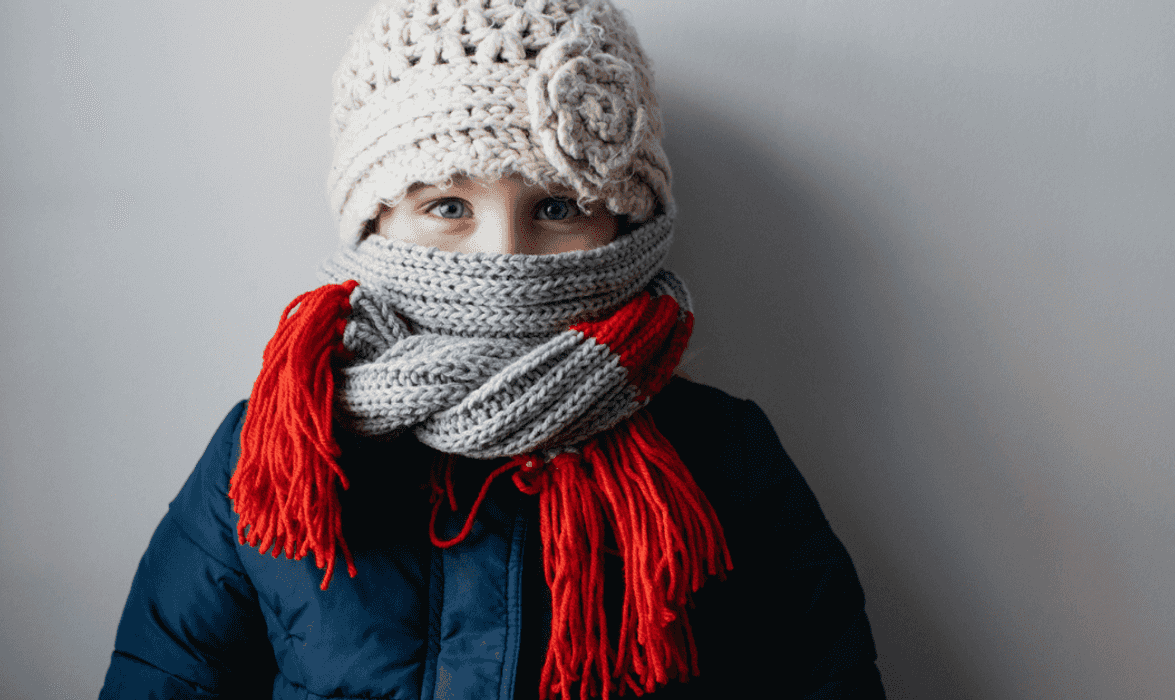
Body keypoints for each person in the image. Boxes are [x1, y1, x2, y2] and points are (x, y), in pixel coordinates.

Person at [100, 1, 886, 698]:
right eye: (447, 205)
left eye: (554, 206)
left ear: (625, 220)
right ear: (375, 222)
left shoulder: (722, 456)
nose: (504, 256)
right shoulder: (274, 450)